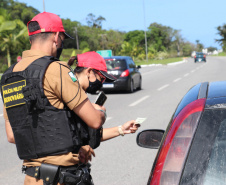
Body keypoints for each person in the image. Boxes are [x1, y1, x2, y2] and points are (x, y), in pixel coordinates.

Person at [1, 12, 139, 185]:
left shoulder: (9, 76)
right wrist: (100, 113)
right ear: (56, 37)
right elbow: (95, 121)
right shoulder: (56, 69)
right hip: (63, 178)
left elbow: (13, 136)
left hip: (32, 178)